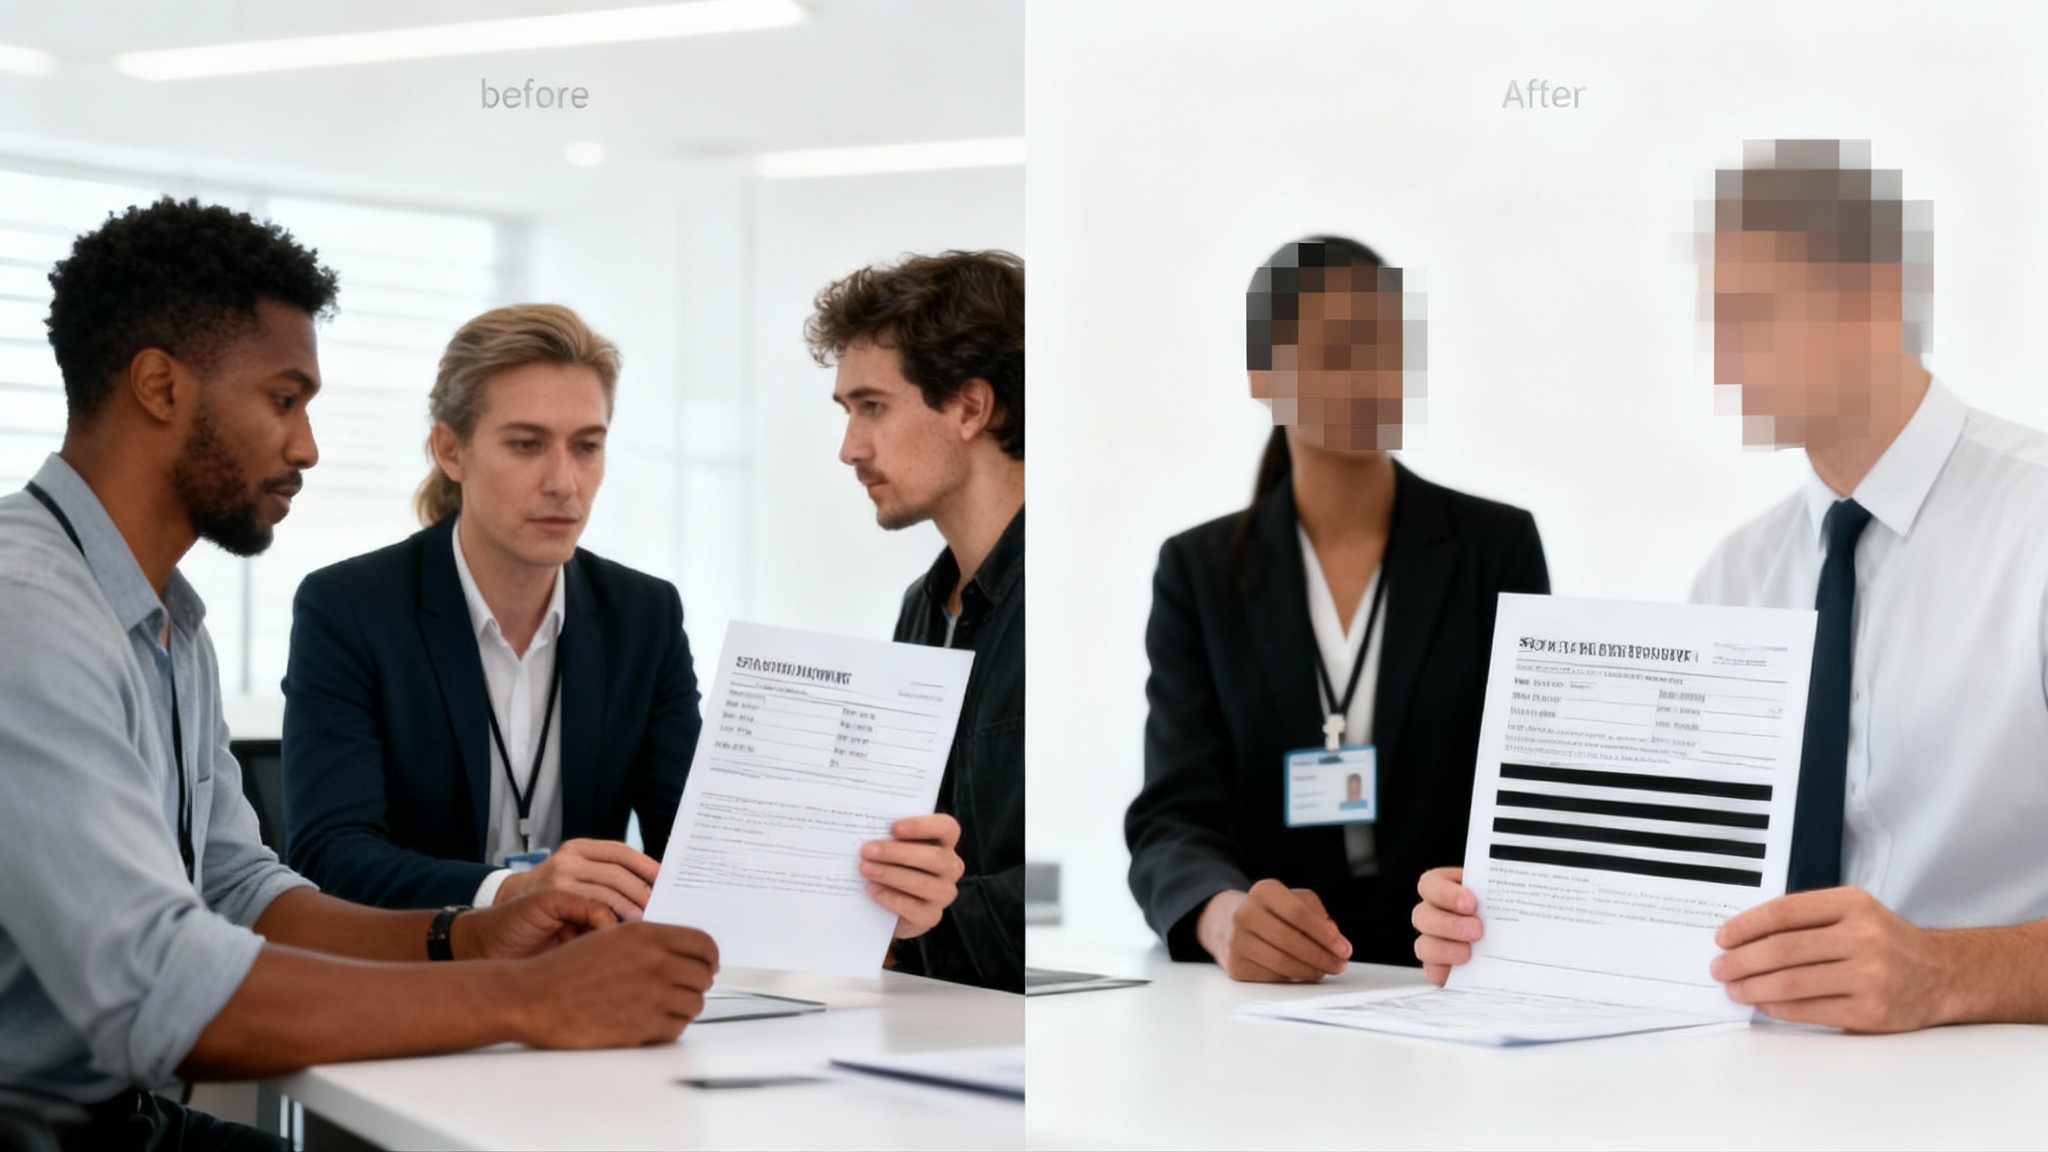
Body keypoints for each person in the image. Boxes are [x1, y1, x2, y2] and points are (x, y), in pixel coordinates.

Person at [0, 199, 717, 1151]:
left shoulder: (167, 622)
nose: (307, 447)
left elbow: (242, 888)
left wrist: (470, 933)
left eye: (587, 446)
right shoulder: (27, 610)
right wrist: (527, 995)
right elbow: (159, 989)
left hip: (117, 1118)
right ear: (161, 388)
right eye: (284, 400)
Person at [1413, 139, 2048, 1033]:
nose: (1723, 361)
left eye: (1753, 314)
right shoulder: (1738, 575)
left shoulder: (2037, 529)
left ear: (1872, 296)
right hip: (1760, 1090)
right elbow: (1686, 894)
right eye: (1716, 320)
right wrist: (1502, 929)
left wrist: (1946, 971)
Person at [282, 304, 966, 941]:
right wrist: (507, 892)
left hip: (582, 983)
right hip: (415, 976)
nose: (563, 481)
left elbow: (696, 845)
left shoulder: (643, 614)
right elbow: (330, 855)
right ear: (451, 451)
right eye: (526, 445)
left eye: (586, 446)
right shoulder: (350, 606)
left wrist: (873, 895)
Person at [1126, 236, 1550, 982]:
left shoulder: (1496, 548)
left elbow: (1530, 783)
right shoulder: (1199, 571)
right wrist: (1224, 918)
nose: (1370, 377)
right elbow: (1174, 817)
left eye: (1388, 347)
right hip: (1275, 987)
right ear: (1263, 378)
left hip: (1452, 969)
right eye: (1335, 352)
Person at [807, 250, 1025, 993]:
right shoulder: (923, 608)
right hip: (942, 1013)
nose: (849, 449)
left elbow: (1097, 875)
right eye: (847, 413)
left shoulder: (1076, 602)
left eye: (872, 407)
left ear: (969, 407)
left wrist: (935, 916)